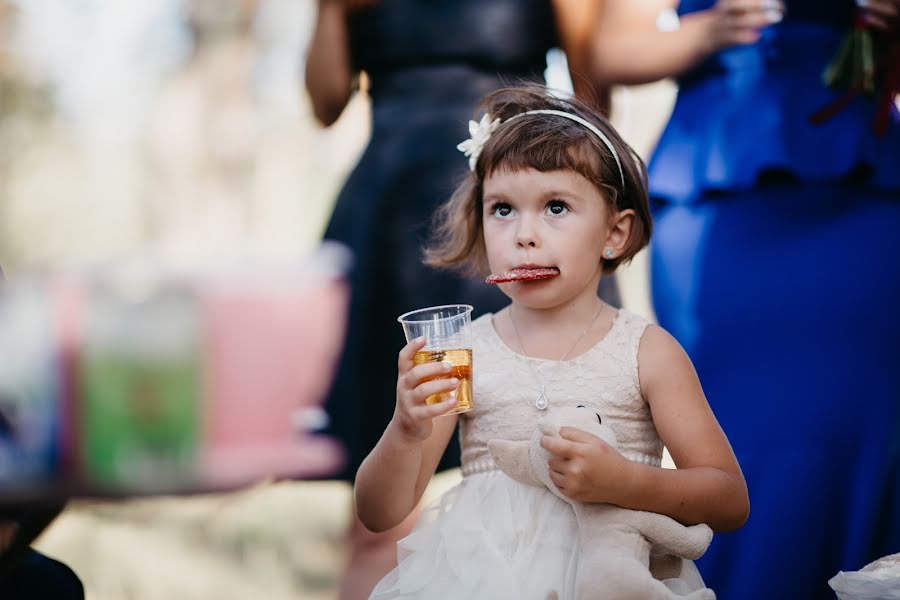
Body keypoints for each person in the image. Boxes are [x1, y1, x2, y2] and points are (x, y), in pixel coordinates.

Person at [354, 85, 749, 599]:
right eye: (502, 210)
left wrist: (624, 482)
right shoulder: (462, 354)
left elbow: (727, 498)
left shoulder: (647, 351)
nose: (524, 234)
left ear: (615, 233)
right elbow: (380, 513)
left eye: (556, 207)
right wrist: (405, 430)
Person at [304, 2, 616, 597]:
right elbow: (324, 104)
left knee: (549, 486)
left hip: (506, 207)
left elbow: (591, 90)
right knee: (381, 513)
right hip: (387, 210)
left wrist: (575, 206)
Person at [591, 1, 900, 598]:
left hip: (863, 182)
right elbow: (609, 50)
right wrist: (707, 30)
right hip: (722, 187)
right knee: (737, 430)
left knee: (865, 430)